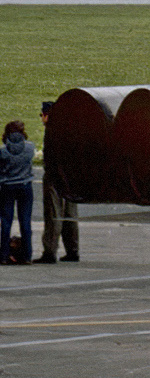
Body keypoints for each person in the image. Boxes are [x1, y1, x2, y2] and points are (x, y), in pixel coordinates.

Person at [39, 101, 77, 262]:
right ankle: (72, 250)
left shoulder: (51, 131)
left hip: (55, 176)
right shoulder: (69, 128)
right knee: (70, 214)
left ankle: (50, 251)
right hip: (70, 177)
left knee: (53, 213)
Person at [1, 119, 34, 264]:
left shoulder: (3, 151)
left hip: (7, 186)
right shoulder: (30, 147)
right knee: (25, 221)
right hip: (25, 185)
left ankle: (3, 255)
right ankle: (27, 255)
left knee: (6, 222)